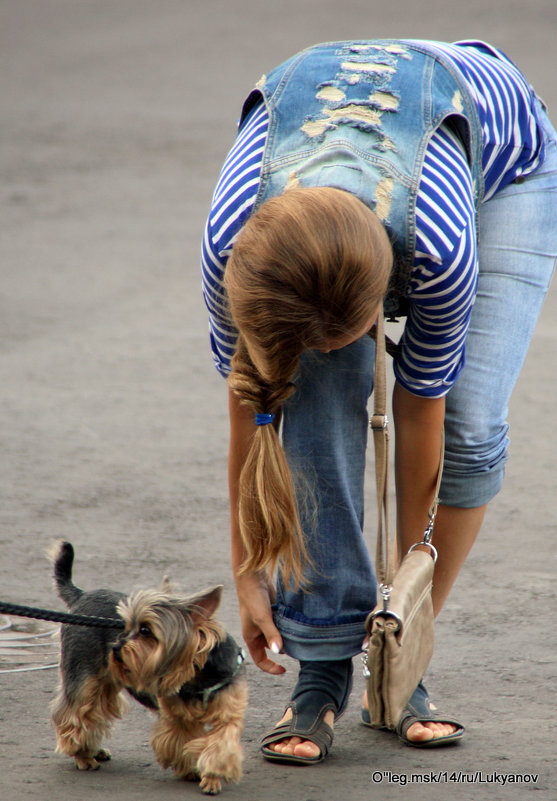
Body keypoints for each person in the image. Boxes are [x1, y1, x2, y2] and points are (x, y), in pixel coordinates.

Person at [201, 38, 557, 762]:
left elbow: (421, 412)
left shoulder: (438, 251)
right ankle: (324, 663)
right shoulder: (233, 245)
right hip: (319, 137)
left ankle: (401, 658)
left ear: (384, 297)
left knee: (470, 425)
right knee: (314, 394)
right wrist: (247, 574)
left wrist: (399, 607)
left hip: (498, 159)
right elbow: (252, 408)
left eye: (353, 332)